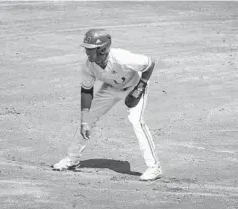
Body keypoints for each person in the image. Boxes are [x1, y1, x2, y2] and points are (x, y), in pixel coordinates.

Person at [52, 29, 162, 181]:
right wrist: (84, 121)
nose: (86, 52)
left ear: (102, 49)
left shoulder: (121, 57)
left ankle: (154, 167)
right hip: (110, 88)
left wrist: (140, 88)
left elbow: (149, 63)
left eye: (90, 49)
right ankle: (72, 159)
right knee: (88, 119)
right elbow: (86, 91)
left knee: (136, 121)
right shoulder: (88, 66)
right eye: (86, 48)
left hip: (134, 85)